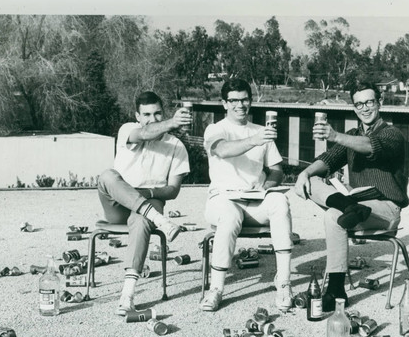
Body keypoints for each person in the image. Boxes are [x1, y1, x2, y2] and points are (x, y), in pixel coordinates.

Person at [295, 80, 409, 311]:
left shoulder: (393, 134)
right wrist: (304, 173)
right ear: (354, 108)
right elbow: (328, 160)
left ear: (380, 102)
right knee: (313, 180)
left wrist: (335, 135)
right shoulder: (351, 134)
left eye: (369, 102)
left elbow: (371, 146)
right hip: (357, 207)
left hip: (385, 208)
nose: (365, 108)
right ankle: (348, 205)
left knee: (331, 217)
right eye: (359, 104)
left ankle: (335, 289)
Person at [200, 78, 294, 313]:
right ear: (224, 103)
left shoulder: (262, 131)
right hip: (223, 199)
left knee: (280, 201)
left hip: (255, 200)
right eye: (233, 100)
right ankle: (216, 289)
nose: (239, 105)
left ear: (250, 101)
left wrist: (268, 186)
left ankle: (283, 282)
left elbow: (276, 169)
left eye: (244, 99)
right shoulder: (216, 129)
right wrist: (253, 141)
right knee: (230, 215)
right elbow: (222, 150)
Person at [97, 91, 191, 315]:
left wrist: (145, 192)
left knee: (141, 220)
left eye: (158, 113)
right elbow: (146, 133)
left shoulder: (176, 145)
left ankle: (127, 296)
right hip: (118, 206)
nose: (153, 119)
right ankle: (160, 220)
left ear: (164, 113)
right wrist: (172, 123)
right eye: (146, 114)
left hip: (151, 200)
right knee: (107, 176)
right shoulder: (127, 130)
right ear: (137, 116)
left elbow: (173, 190)